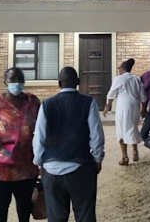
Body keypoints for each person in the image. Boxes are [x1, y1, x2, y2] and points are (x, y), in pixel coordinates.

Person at [33, 67, 104, 222]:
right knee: (85, 215)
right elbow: (96, 136)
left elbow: (39, 137)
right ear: (78, 82)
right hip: (81, 169)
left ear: (59, 83)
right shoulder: (88, 103)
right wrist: (98, 158)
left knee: (56, 217)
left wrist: (38, 162)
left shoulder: (47, 105)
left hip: (51, 170)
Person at [0, 67, 41, 222]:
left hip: (26, 168)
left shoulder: (32, 102)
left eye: (20, 79)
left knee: (24, 210)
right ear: (5, 82)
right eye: (12, 80)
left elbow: (42, 128)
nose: (17, 83)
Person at [103, 59, 147, 166]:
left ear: (122, 69)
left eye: (119, 68)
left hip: (123, 108)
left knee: (121, 130)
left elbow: (111, 93)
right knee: (132, 127)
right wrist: (143, 109)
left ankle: (125, 157)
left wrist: (107, 106)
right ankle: (135, 150)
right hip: (135, 107)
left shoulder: (119, 78)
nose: (118, 70)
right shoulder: (136, 78)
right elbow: (143, 96)